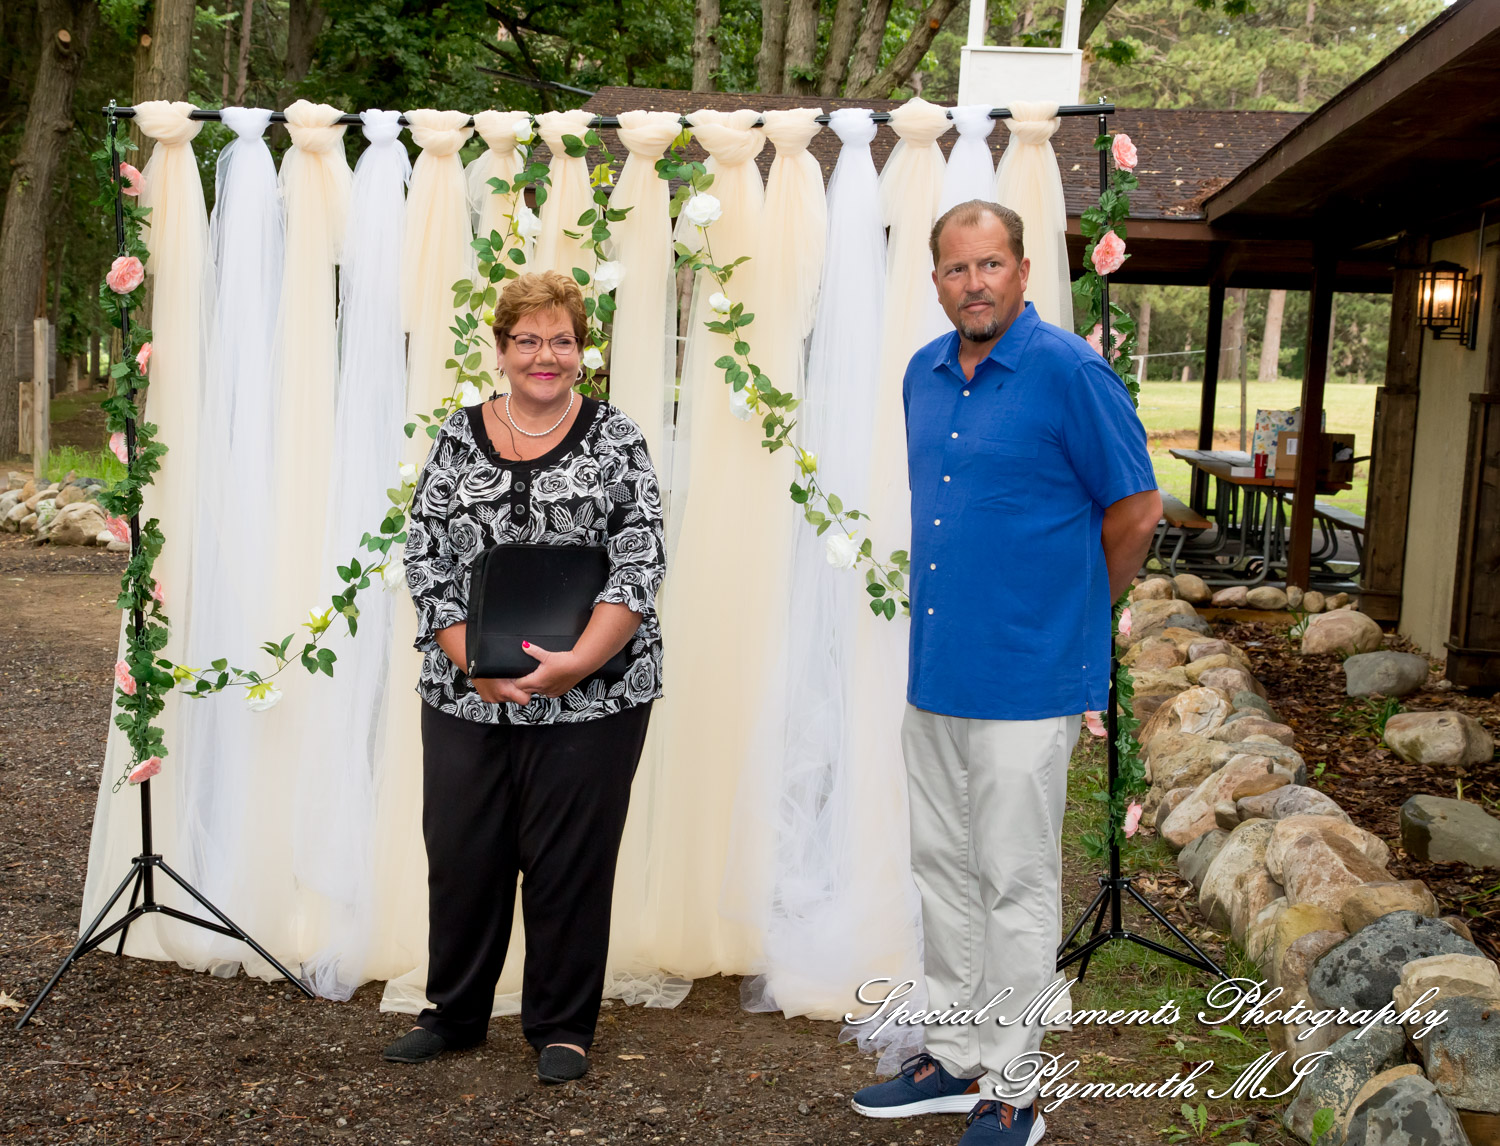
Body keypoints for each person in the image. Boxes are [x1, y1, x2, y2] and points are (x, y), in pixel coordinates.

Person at [850, 201, 1161, 1145]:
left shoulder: (1070, 372)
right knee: (942, 871)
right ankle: (954, 1056)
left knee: (1014, 883)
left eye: (991, 264)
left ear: (1023, 271)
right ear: (937, 281)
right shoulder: (923, 374)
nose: (974, 283)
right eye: (957, 268)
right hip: (938, 672)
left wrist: (1075, 614)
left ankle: (1015, 1086)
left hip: (1029, 678)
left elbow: (1138, 510)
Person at [381, 271, 666, 1085]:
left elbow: (640, 558)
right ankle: (454, 1014)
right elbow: (425, 553)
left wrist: (578, 664)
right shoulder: (457, 434)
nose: (547, 356)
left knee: (570, 859)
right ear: (502, 349)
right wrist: (472, 662)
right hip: (465, 691)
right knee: (462, 852)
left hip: (597, 694)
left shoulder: (617, 438)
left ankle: (562, 1026)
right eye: (529, 340)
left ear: (583, 351)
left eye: (562, 341)